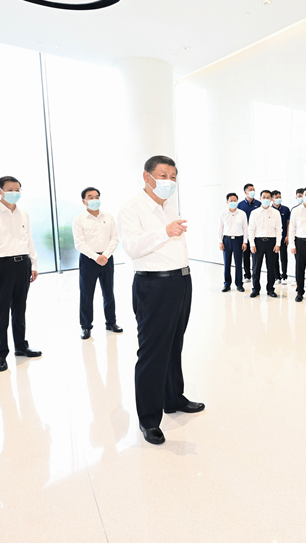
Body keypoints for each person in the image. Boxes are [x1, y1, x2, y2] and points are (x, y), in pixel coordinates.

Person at [118, 155, 203, 446]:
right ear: (147, 177)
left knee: (174, 344)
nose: (169, 181)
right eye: (164, 175)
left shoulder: (168, 206)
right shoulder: (132, 208)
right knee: (153, 352)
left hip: (180, 281)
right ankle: (149, 419)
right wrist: (164, 232)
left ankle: (173, 398)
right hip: (154, 285)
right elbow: (132, 247)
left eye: (173, 176)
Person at [0, 176, 42, 372]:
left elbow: (29, 240)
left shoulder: (24, 214)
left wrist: (33, 264)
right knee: (1, 312)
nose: (14, 193)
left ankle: (21, 346)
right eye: (10, 189)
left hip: (23, 264)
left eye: (17, 190)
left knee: (20, 309)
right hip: (0, 266)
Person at [73, 186, 122, 340]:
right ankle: (86, 327)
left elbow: (115, 238)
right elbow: (79, 244)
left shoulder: (108, 217)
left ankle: (111, 322)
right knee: (86, 294)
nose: (94, 200)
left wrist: (105, 255)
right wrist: (96, 257)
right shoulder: (79, 220)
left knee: (109, 292)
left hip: (107, 258)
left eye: (97, 197)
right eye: (90, 197)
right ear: (84, 201)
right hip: (88, 260)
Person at [248, 190, 281, 298]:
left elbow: (278, 229)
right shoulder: (255, 213)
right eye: (264, 197)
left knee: (271, 267)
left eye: (268, 197)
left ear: (271, 199)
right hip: (258, 242)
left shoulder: (276, 213)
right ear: (260, 198)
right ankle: (255, 289)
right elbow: (251, 229)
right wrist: (252, 244)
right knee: (256, 267)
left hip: (271, 242)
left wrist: (278, 244)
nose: (266, 199)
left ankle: (270, 289)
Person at [218, 192, 248, 293]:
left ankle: (239, 284)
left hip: (239, 240)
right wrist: (220, 241)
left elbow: (245, 228)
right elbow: (220, 228)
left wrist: (245, 242)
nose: (233, 202)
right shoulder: (223, 214)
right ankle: (227, 284)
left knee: (238, 263)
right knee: (227, 263)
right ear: (227, 202)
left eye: (235, 200)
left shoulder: (242, 214)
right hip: (226, 240)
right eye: (231, 201)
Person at [237, 183, 261, 282]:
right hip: (245, 234)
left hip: (256, 234)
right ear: (245, 192)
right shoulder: (240, 205)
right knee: (245, 256)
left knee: (256, 256)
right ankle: (247, 275)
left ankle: (255, 274)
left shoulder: (259, 204)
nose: (252, 191)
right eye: (250, 190)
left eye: (253, 189)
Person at [272, 190, 292, 284]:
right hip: (273, 238)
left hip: (283, 237)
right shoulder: (270, 210)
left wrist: (287, 236)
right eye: (276, 197)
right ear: (272, 199)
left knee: (284, 257)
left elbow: (288, 223)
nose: (278, 199)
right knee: (274, 258)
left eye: (279, 197)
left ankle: (284, 276)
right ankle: (277, 277)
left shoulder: (286, 209)